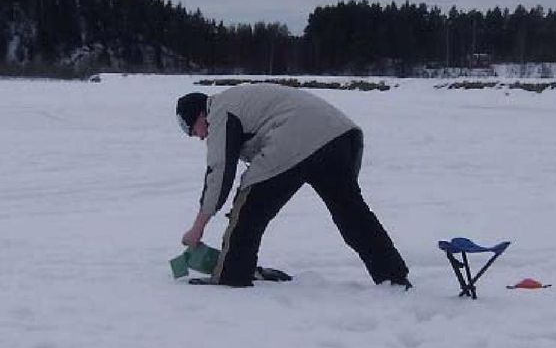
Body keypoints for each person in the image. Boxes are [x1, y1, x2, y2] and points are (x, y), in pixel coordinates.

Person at [176, 83, 411, 288]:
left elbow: (219, 171)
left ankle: (232, 275)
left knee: (249, 209)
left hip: (295, 139)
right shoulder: (238, 100)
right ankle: (393, 277)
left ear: (199, 116)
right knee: (351, 214)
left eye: (193, 131)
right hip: (340, 137)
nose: (199, 137)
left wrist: (198, 226)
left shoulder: (219, 112)